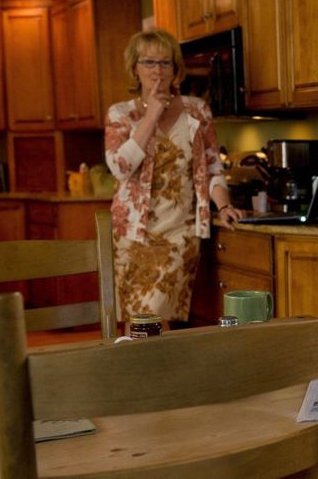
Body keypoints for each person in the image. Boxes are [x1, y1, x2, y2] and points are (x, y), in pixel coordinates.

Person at [105, 29, 245, 329]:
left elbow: (212, 168)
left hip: (179, 233)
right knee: (135, 318)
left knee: (155, 315)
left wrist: (223, 206)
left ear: (175, 68)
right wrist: (151, 115)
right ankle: (136, 360)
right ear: (135, 68)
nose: (157, 70)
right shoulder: (120, 114)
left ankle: (149, 360)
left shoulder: (197, 110)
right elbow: (120, 167)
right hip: (132, 234)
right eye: (149, 62)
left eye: (165, 62)